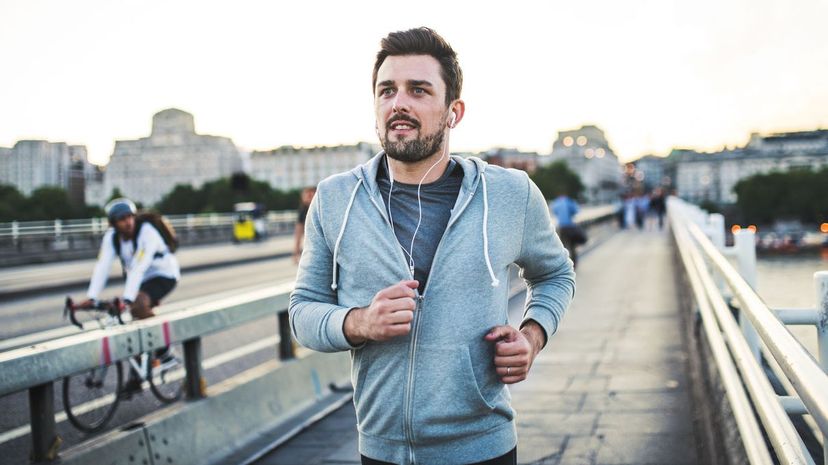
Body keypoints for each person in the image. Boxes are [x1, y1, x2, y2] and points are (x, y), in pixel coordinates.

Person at [289, 27, 576, 465]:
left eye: (418, 90)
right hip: (380, 450)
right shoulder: (335, 199)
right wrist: (360, 322)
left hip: (485, 446)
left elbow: (555, 274)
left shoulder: (509, 194)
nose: (398, 103)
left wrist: (532, 336)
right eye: (387, 91)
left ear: (453, 112)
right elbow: (303, 311)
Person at [82, 198, 181, 395]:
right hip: (141, 280)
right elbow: (102, 266)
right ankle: (136, 378)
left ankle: (165, 352)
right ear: (113, 223)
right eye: (121, 219)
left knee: (138, 306)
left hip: (164, 274)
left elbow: (139, 266)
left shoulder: (147, 232)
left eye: (129, 217)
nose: (127, 222)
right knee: (134, 324)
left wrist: (127, 299)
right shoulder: (112, 238)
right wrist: (91, 297)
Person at [550, 191, 582, 267]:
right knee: (572, 246)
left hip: (561, 227)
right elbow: (576, 211)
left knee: (562, 247)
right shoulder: (569, 201)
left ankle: (565, 265)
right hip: (571, 226)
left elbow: (554, 212)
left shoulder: (556, 202)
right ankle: (574, 264)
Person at [293, 187, 316, 264]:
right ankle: (297, 256)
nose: (308, 197)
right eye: (306, 195)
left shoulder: (319, 207)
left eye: (311, 195)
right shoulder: (303, 209)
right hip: (304, 221)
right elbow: (298, 232)